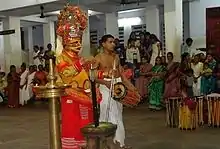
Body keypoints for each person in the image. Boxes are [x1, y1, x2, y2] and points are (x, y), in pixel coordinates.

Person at [55, 5, 101, 149]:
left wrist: (101, 73)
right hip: (70, 96)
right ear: (66, 42)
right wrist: (79, 64)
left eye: (79, 42)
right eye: (74, 42)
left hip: (84, 94)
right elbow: (65, 73)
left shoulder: (78, 58)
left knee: (86, 125)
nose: (78, 44)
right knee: (73, 125)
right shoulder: (61, 57)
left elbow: (85, 74)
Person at [94, 34, 134, 148]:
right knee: (106, 112)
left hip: (117, 85)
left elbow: (121, 73)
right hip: (105, 86)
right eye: (110, 42)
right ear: (103, 44)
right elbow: (92, 76)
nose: (113, 44)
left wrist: (130, 86)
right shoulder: (98, 58)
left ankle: (120, 142)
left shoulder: (116, 57)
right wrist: (104, 83)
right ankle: (105, 141)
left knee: (118, 113)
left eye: (113, 42)